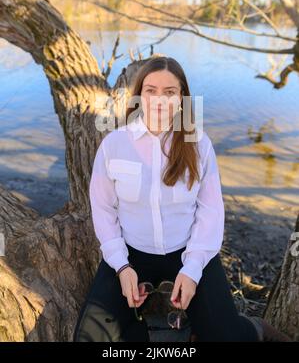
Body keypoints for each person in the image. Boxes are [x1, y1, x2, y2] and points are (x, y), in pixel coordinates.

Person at [73, 56, 291, 342]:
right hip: (132, 252)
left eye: (169, 92)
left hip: (188, 249)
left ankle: (256, 328)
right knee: (89, 339)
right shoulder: (114, 144)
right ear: (139, 95)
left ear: (182, 98)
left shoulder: (198, 144)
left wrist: (192, 269)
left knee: (227, 337)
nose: (159, 100)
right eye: (150, 90)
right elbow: (103, 208)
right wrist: (122, 266)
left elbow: (210, 211)